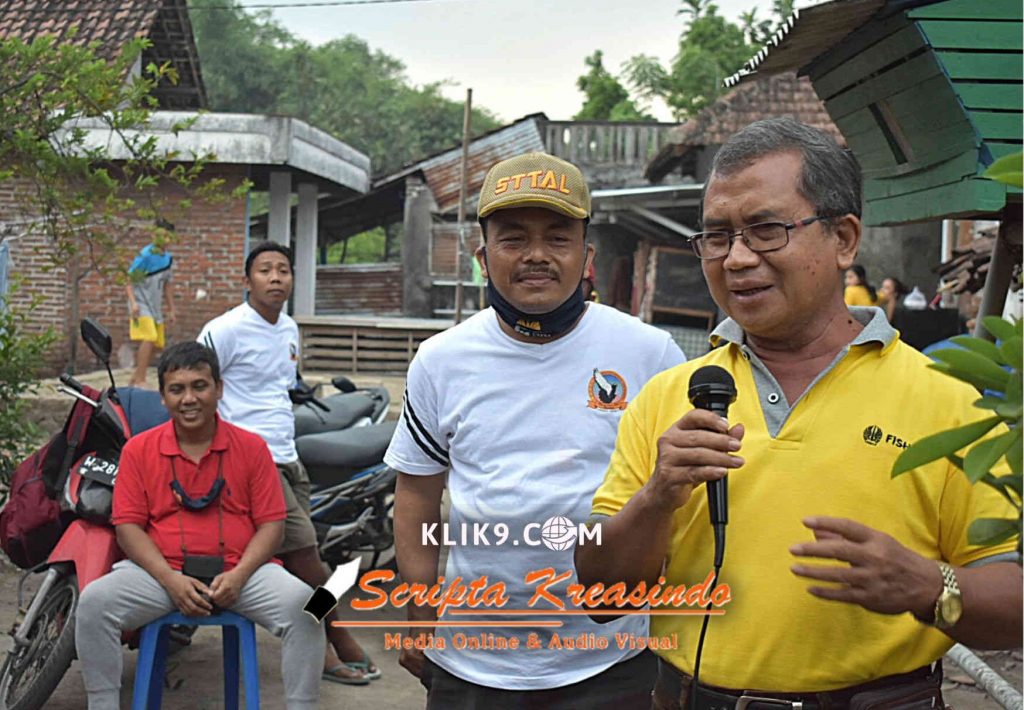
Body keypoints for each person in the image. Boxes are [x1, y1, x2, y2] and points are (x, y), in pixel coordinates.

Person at [576, 118, 1022, 709]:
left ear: (844, 239)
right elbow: (602, 595)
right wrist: (657, 496)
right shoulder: (668, 398)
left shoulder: (949, 399)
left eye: (766, 231)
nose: (736, 259)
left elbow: (1014, 602)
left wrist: (928, 585)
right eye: (717, 237)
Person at [386, 152, 686, 709]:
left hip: (612, 658)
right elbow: (417, 491)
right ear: (483, 257)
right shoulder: (440, 360)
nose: (536, 256)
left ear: (587, 256)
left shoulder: (649, 354)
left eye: (557, 238)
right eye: (514, 238)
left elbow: (677, 498)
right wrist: (419, 603)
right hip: (472, 658)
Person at [75, 342, 324, 710]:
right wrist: (170, 580)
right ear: (163, 397)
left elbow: (272, 525)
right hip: (162, 574)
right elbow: (128, 527)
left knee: (309, 606)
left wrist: (239, 576)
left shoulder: (253, 448)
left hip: (242, 574)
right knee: (94, 604)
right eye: (177, 389)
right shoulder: (138, 450)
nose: (189, 399)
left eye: (199, 386)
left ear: (219, 389)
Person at [198, 241, 377, 685]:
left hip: (288, 455)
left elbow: (282, 388)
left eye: (283, 269)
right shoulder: (225, 330)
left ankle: (323, 643)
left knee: (300, 560)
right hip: (252, 459)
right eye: (265, 270)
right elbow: (195, 385)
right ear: (247, 281)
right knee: (307, 559)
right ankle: (336, 641)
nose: (275, 277)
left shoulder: (289, 329)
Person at [126, 222, 177, 387]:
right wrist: (133, 303)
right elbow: (129, 280)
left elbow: (167, 285)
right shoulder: (145, 255)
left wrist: (171, 309)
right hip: (140, 304)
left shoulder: (168, 259)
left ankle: (135, 376)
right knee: (149, 337)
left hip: (155, 306)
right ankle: (141, 380)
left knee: (157, 343)